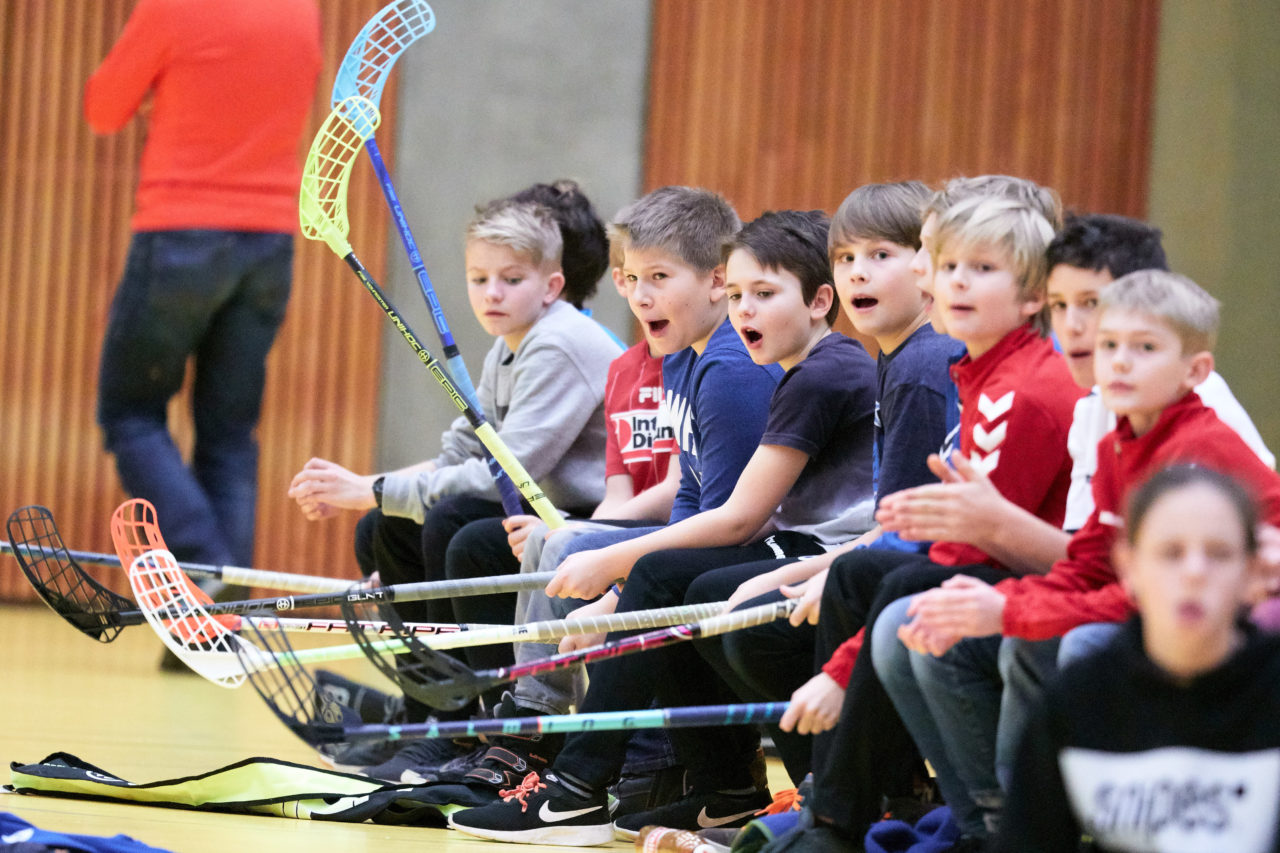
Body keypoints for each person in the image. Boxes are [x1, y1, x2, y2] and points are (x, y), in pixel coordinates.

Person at [449, 208, 878, 845]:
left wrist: (614, 579)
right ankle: (723, 792)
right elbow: (700, 501)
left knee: (668, 577)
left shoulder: (805, 373)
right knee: (666, 579)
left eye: (762, 295)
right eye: (738, 296)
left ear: (820, 301)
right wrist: (620, 594)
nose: (745, 312)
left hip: (827, 553)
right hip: (801, 544)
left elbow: (736, 518)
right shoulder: (784, 368)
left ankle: (575, 788)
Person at [876, 269, 1280, 846]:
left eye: (1144, 349)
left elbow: (1151, 595)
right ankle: (991, 828)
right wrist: (999, 599)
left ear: (1194, 373)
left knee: (1069, 641)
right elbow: (1092, 564)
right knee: (907, 625)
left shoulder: (1197, 454)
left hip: (1237, 629)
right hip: (1157, 610)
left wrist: (1011, 615)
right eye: (1110, 344)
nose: (1118, 362)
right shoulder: (1116, 436)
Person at [763, 191, 1083, 853]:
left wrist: (840, 672)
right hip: (1014, 575)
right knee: (891, 606)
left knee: (900, 606)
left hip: (1056, 592)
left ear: (1031, 299)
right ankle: (971, 824)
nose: (956, 281)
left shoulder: (1021, 389)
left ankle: (982, 825)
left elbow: (969, 553)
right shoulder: (980, 374)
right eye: (948, 265)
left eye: (982, 269)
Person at [289, 197, 620, 762]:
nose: (492, 293)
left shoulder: (560, 343)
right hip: (534, 510)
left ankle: (475, 725)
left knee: (456, 526)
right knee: (383, 529)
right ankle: (429, 715)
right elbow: (460, 453)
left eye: (510, 279)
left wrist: (371, 486)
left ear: (551, 285)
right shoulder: (507, 345)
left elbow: (505, 475)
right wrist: (372, 490)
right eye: (479, 278)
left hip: (587, 522)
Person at [376, 229, 680, 790]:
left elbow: (690, 492)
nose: (642, 295)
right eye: (632, 279)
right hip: (609, 517)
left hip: (674, 532)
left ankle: (523, 734)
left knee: (471, 531)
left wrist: (577, 534)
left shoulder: (706, 366)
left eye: (660, 278)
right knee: (418, 527)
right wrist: (573, 531)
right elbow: (618, 490)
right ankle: (487, 726)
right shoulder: (625, 369)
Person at [698, 181, 960, 784]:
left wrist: (793, 573)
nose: (857, 275)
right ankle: (837, 791)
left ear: (925, 265)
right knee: (737, 605)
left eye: (880, 256)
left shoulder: (919, 366)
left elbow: (899, 534)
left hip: (916, 569)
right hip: (881, 558)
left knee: (759, 624)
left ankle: (864, 794)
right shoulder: (896, 358)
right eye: (846, 259)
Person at [86, 0, 321, 587]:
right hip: (269, 242)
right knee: (228, 435)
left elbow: (103, 109)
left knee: (130, 413)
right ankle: (222, 614)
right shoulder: (301, 10)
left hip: (181, 233)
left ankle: (206, 564)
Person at [999, 465, 1280, 852]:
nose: (1194, 573)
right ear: (1129, 568)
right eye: (1170, 553)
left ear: (1251, 572)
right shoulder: (1077, 702)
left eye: (1218, 553)